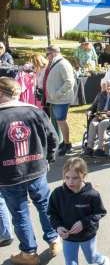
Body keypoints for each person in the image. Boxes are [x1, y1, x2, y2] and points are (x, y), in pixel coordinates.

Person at [0, 77, 60, 265]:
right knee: (44, 205)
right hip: (36, 168)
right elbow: (53, 139)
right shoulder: (35, 111)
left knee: (20, 212)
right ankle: (54, 239)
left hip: (9, 175)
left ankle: (28, 253)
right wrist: (48, 159)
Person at [48, 158, 110, 265]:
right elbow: (52, 213)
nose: (70, 182)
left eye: (75, 178)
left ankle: (103, 260)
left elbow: (100, 212)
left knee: (92, 258)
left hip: (87, 236)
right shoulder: (57, 194)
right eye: (67, 177)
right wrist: (58, 227)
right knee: (70, 262)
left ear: (84, 176)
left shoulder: (92, 194)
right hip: (68, 237)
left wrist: (83, 223)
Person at [45, 45, 75, 156]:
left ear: (53, 53)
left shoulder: (63, 64)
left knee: (61, 121)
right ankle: (63, 142)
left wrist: (57, 94)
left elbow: (69, 82)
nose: (46, 57)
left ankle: (67, 144)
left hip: (61, 99)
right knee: (58, 122)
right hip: (55, 99)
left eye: (47, 54)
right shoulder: (54, 62)